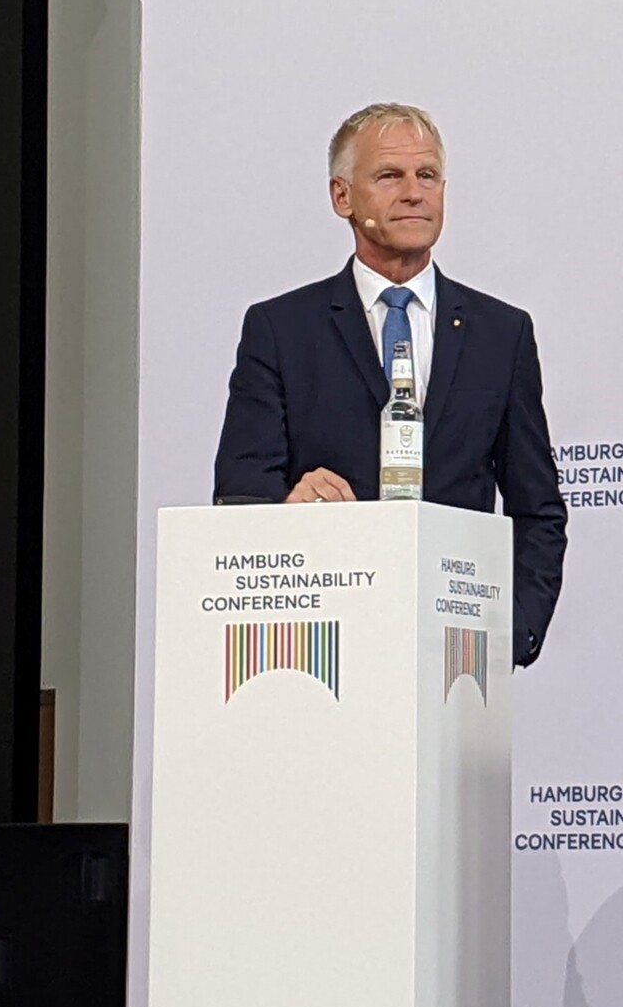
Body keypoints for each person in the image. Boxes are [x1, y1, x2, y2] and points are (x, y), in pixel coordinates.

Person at [214, 103, 568, 666]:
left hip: (458, 654)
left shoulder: (502, 334)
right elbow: (239, 487)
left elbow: (538, 508)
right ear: (342, 197)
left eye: (427, 176)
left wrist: (515, 632)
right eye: (389, 176)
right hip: (320, 645)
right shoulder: (281, 329)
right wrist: (288, 506)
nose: (413, 193)